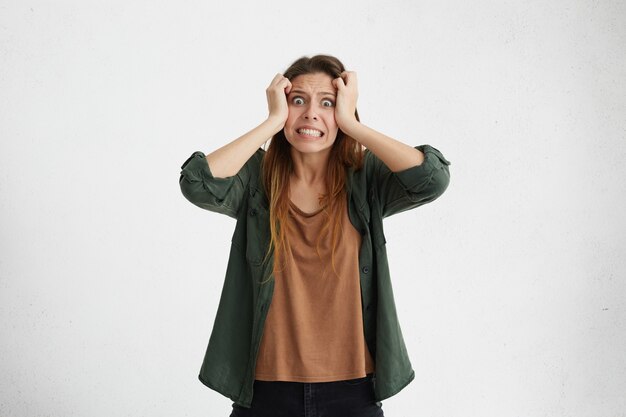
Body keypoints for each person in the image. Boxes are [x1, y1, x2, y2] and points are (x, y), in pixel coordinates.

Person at [179, 54, 451, 417]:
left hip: (354, 392)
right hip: (264, 392)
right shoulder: (256, 179)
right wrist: (272, 122)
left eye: (327, 102)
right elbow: (197, 183)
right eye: (297, 101)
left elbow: (433, 179)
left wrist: (354, 126)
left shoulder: (365, 178)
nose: (310, 113)